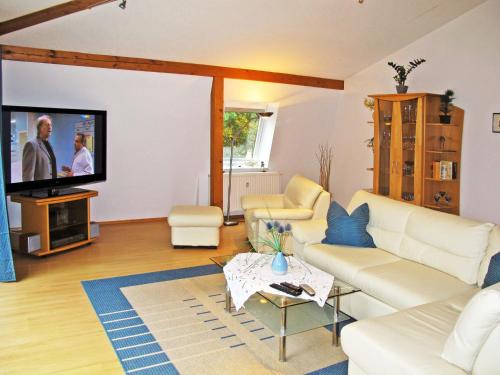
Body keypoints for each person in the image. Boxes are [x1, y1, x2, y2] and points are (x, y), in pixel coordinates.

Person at [22, 115, 57, 181]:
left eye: (51, 125)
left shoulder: (49, 145)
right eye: (47, 125)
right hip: (40, 190)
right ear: (40, 127)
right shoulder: (31, 145)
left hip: (52, 189)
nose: (50, 127)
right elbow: (27, 177)